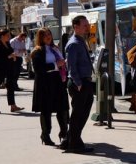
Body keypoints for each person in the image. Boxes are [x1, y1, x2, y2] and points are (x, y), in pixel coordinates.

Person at [30, 28, 69, 146]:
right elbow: (38, 69)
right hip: (45, 84)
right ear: (40, 37)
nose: (48, 37)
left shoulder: (55, 48)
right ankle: (45, 135)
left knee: (63, 108)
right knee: (46, 111)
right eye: (45, 35)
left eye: (49, 34)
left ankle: (64, 133)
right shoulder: (37, 51)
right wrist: (55, 64)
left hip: (58, 81)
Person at [64, 15, 94, 153]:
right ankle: (74, 143)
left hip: (85, 81)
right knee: (78, 115)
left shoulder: (81, 41)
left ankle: (69, 139)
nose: (87, 27)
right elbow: (71, 66)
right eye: (84, 25)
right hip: (79, 83)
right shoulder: (74, 43)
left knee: (82, 113)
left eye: (87, 25)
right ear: (76, 27)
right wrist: (78, 83)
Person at [0, 28, 23, 114]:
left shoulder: (8, 44)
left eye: (9, 35)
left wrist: (14, 56)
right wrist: (9, 56)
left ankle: (13, 106)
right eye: (7, 35)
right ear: (2, 36)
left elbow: (11, 53)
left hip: (8, 68)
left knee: (11, 86)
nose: (9, 36)